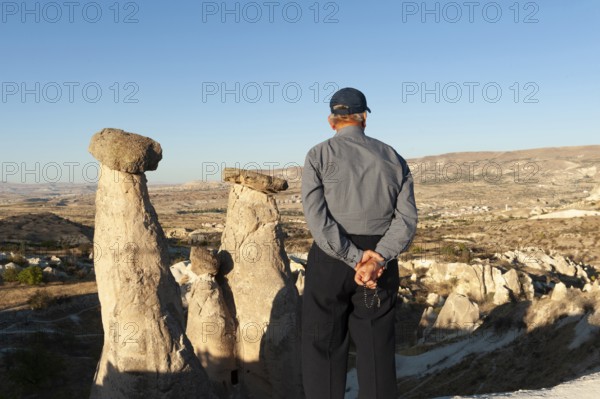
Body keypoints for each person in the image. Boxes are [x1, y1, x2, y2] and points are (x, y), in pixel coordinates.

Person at [300, 87, 418, 399]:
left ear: (331, 121)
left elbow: (317, 218)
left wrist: (353, 257)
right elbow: (406, 221)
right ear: (364, 118)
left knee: (322, 345)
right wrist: (376, 259)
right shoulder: (393, 158)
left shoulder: (318, 155)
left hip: (330, 264)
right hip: (378, 268)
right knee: (376, 345)